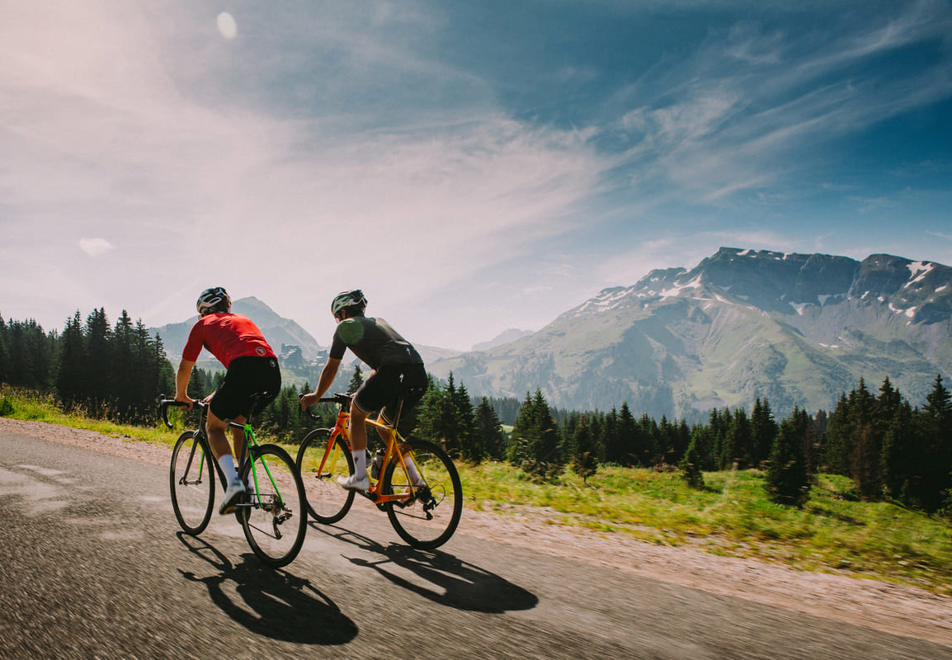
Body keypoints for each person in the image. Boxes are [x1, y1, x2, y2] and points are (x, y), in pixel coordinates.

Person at [300, 290, 427, 492]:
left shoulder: (345, 326)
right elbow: (383, 364)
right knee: (384, 427)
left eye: (336, 317)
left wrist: (315, 395)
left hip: (393, 372)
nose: (337, 321)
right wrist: (361, 392)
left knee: (356, 414)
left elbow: (331, 367)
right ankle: (417, 482)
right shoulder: (379, 322)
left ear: (341, 313)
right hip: (418, 374)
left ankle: (360, 476)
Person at [175, 287, 281, 514]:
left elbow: (185, 367)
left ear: (203, 310)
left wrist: (181, 395)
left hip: (243, 371)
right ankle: (248, 487)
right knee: (239, 425)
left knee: (213, 428)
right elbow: (246, 361)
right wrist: (219, 392)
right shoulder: (242, 319)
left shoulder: (203, 324)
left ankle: (234, 486)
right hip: (272, 372)